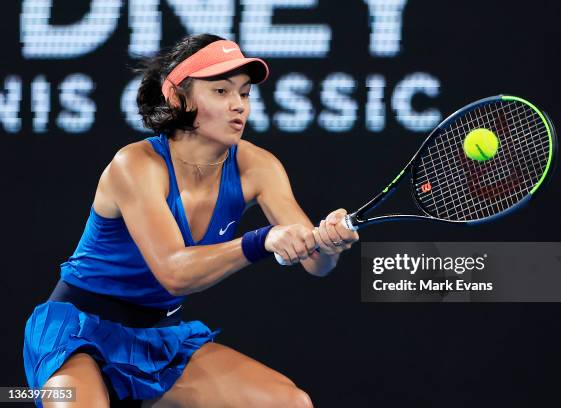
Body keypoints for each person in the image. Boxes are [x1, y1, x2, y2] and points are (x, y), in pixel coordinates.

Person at [22, 33, 359, 408]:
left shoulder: (258, 166)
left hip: (157, 339)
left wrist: (328, 243)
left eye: (244, 93)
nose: (239, 107)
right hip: (76, 334)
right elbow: (174, 272)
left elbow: (316, 262)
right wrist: (261, 240)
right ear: (178, 98)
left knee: (290, 403)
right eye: (221, 92)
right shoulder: (135, 165)